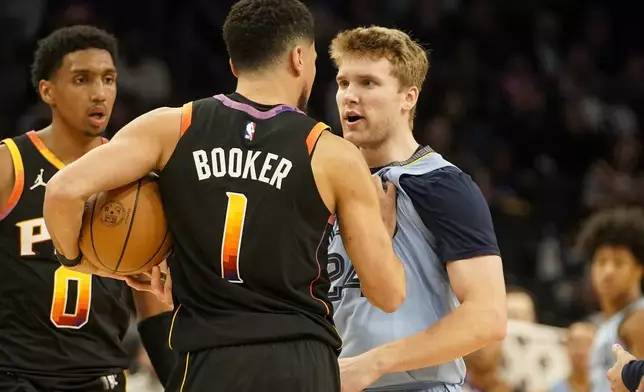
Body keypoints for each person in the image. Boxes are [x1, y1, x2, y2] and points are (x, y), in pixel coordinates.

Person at [42, 1, 407, 391]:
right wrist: (382, 238)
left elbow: (62, 190)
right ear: (299, 58)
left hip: (207, 360)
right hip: (300, 362)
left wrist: (87, 262)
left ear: (234, 64)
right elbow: (388, 295)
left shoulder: (172, 127)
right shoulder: (332, 153)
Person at [326, 26, 507, 392]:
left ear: (408, 97)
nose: (349, 96)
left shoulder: (441, 184)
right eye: (343, 83)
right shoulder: (325, 181)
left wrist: (374, 363)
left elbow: (488, 316)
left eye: (368, 83)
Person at [0, 25, 173, 392]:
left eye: (108, 79)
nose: (99, 93)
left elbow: (152, 311)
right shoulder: (10, 163)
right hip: (18, 377)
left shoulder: (134, 178)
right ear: (48, 90)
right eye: (82, 79)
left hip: (101, 379)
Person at [576, 207, 644, 392]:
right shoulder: (606, 323)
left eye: (619, 262)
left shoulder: (639, 319)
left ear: (639, 269)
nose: (608, 271)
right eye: (601, 261)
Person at [548, 322, 596, 392]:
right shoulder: (555, 388)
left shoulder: (606, 386)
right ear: (566, 347)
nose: (580, 351)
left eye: (586, 344)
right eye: (575, 344)